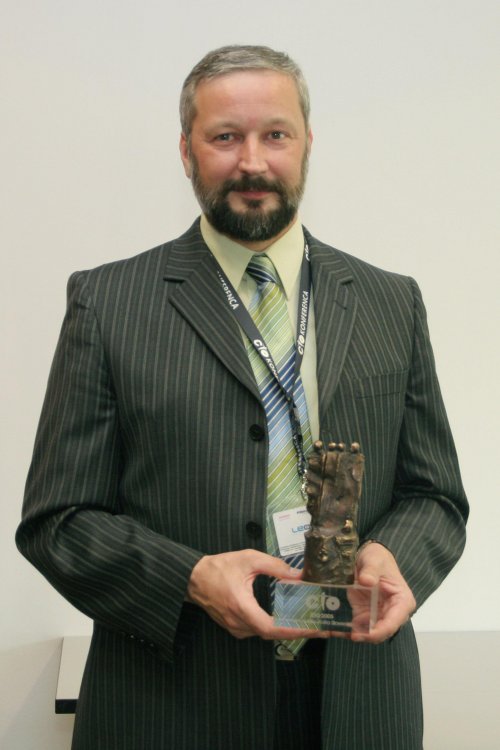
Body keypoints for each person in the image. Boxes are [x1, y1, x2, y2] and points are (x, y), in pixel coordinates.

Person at [17, 45, 468, 750]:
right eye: (225, 136)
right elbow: (58, 521)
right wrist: (191, 577)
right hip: (172, 704)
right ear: (186, 150)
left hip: (357, 702)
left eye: (275, 135)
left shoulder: (391, 302)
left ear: (307, 143)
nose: (252, 162)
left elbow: (435, 496)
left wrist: (394, 555)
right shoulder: (107, 303)